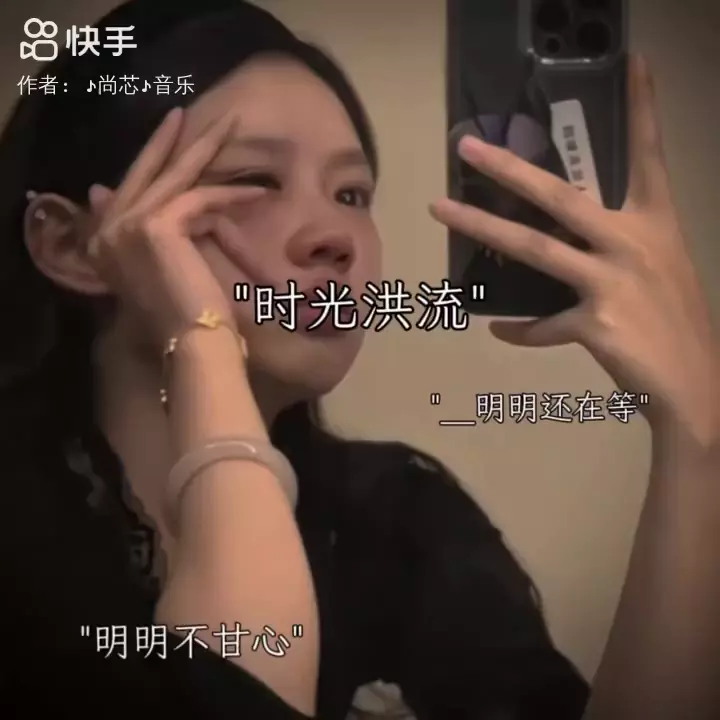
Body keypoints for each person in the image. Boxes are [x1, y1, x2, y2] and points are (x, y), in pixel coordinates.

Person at [2, 1, 718, 719]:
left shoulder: (399, 523)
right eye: (255, 179)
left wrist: (695, 439)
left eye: (351, 194)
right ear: (71, 246)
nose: (336, 238)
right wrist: (201, 337)